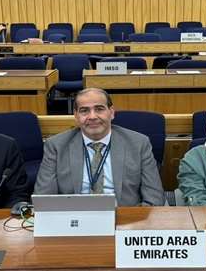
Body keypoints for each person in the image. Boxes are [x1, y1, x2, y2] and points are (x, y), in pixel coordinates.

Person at [34, 88, 164, 206]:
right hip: (74, 218)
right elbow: (43, 198)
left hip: (124, 218)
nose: (92, 116)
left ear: (111, 113)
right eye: (84, 111)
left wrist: (130, 222)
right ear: (76, 116)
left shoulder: (139, 143)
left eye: (99, 109)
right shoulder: (56, 146)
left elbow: (154, 198)